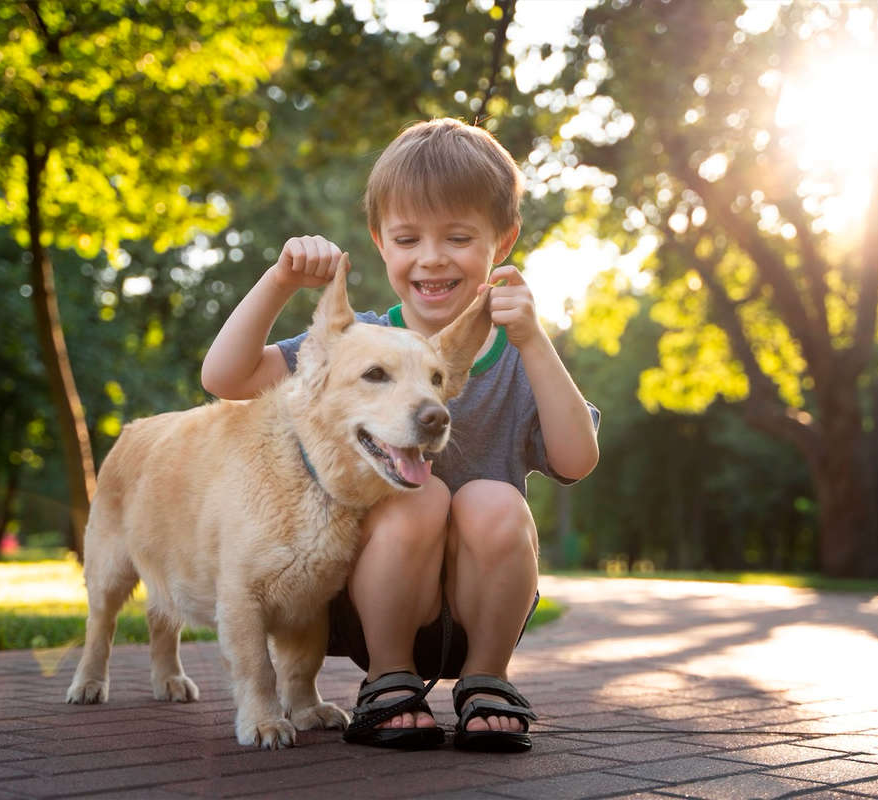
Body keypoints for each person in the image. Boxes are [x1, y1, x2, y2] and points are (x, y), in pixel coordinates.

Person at [201, 118, 599, 752]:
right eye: (408, 237)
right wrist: (280, 280)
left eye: (460, 236)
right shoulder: (355, 342)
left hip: (480, 611)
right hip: (370, 608)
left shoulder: (521, 351)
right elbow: (227, 376)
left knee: (492, 499)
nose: (433, 257)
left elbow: (576, 461)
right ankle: (388, 682)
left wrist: (535, 340)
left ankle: (487, 680)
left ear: (505, 239)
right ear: (379, 243)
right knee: (420, 495)